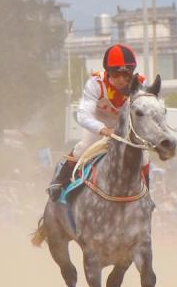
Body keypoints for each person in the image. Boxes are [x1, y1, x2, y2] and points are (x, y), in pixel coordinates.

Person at [46, 43, 145, 201]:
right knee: (83, 147)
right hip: (99, 122)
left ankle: (146, 193)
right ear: (108, 71)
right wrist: (103, 129)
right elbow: (83, 115)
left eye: (125, 74)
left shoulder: (140, 85)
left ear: (131, 72)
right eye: (116, 74)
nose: (121, 80)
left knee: (144, 156)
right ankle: (59, 181)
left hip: (125, 125)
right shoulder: (95, 83)